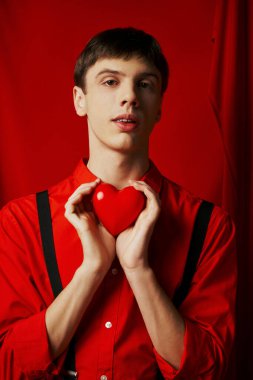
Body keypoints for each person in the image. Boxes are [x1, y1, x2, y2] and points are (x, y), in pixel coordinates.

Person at [0, 27, 236, 380]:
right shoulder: (20, 222)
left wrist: (139, 270)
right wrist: (92, 269)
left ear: (159, 106)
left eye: (145, 84)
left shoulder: (210, 226)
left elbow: (208, 370)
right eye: (110, 82)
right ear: (80, 99)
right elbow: (8, 364)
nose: (130, 97)